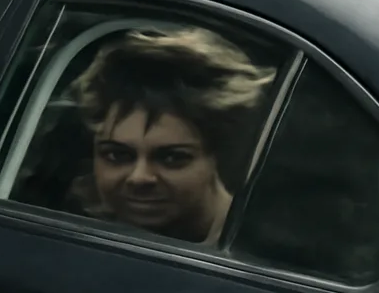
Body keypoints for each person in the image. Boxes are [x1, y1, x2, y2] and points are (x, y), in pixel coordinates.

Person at [67, 26, 276, 243]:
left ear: (218, 155)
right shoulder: (77, 224)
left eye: (172, 158)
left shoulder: (255, 251)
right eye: (117, 155)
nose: (139, 177)